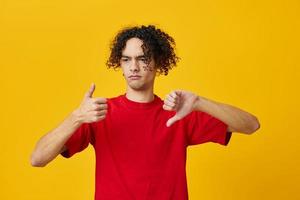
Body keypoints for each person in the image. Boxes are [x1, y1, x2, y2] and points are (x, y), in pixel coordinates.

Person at [30, 25, 260, 200]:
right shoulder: (99, 113)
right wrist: (76, 117)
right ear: (119, 64)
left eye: (143, 59)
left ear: (158, 62)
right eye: (126, 59)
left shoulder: (178, 112)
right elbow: (37, 159)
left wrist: (200, 102)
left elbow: (251, 125)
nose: (134, 67)